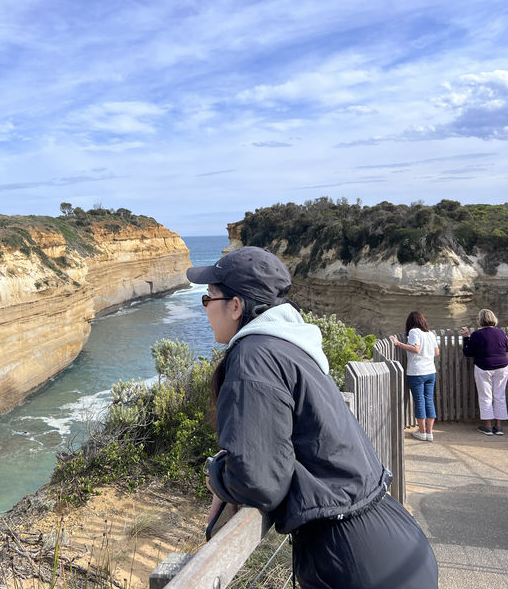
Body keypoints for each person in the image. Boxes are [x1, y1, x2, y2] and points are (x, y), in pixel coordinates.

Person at [188, 246, 438, 589]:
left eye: (207, 299)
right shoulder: (291, 346)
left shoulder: (253, 357)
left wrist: (216, 475)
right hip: (389, 540)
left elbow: (258, 482)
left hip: (352, 560)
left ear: (235, 306)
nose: (204, 309)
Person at [389, 312, 439, 442]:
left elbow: (416, 349)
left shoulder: (414, 332)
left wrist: (398, 343)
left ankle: (422, 432)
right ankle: (430, 432)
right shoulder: (430, 334)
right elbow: (436, 352)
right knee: (429, 399)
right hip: (430, 371)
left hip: (417, 372)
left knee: (419, 401)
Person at [461, 309, 508, 436]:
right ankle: (498, 426)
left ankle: (487, 426)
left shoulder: (477, 334)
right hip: (502, 367)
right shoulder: (501, 333)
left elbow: (468, 352)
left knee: (485, 396)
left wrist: (466, 338)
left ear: (480, 320)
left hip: (484, 367)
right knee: (500, 396)